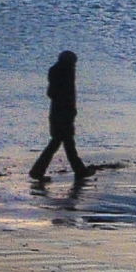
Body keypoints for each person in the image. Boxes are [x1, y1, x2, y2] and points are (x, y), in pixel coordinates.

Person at [29, 50, 92, 181]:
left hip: (59, 112)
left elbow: (53, 93)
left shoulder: (58, 72)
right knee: (61, 143)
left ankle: (78, 170)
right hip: (62, 114)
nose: (75, 66)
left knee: (63, 143)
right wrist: (69, 109)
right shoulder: (64, 73)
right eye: (74, 63)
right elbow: (63, 94)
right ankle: (37, 171)